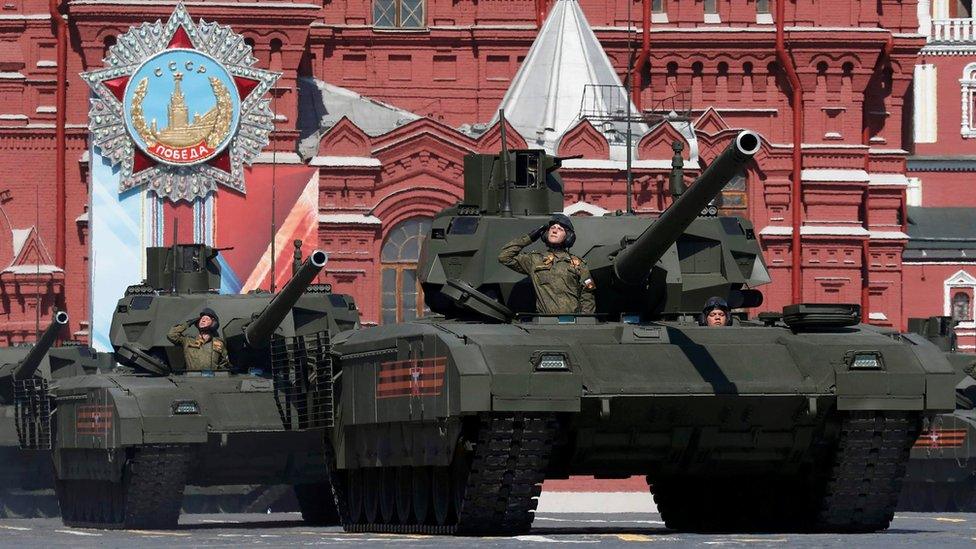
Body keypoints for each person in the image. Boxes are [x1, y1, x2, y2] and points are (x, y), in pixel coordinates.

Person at [498, 214, 596, 315]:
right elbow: (504, 257)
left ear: (568, 237)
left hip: (572, 322)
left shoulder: (578, 263)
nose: (554, 230)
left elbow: (587, 295)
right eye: (552, 228)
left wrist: (585, 320)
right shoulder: (535, 259)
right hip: (545, 322)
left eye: (560, 229)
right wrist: (529, 238)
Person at [167, 308, 231, 372]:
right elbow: (171, 335)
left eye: (206, 319)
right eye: (201, 319)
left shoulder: (218, 342)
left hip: (212, 379)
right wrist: (188, 323)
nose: (203, 320)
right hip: (192, 378)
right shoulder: (188, 340)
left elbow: (224, 364)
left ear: (213, 323)